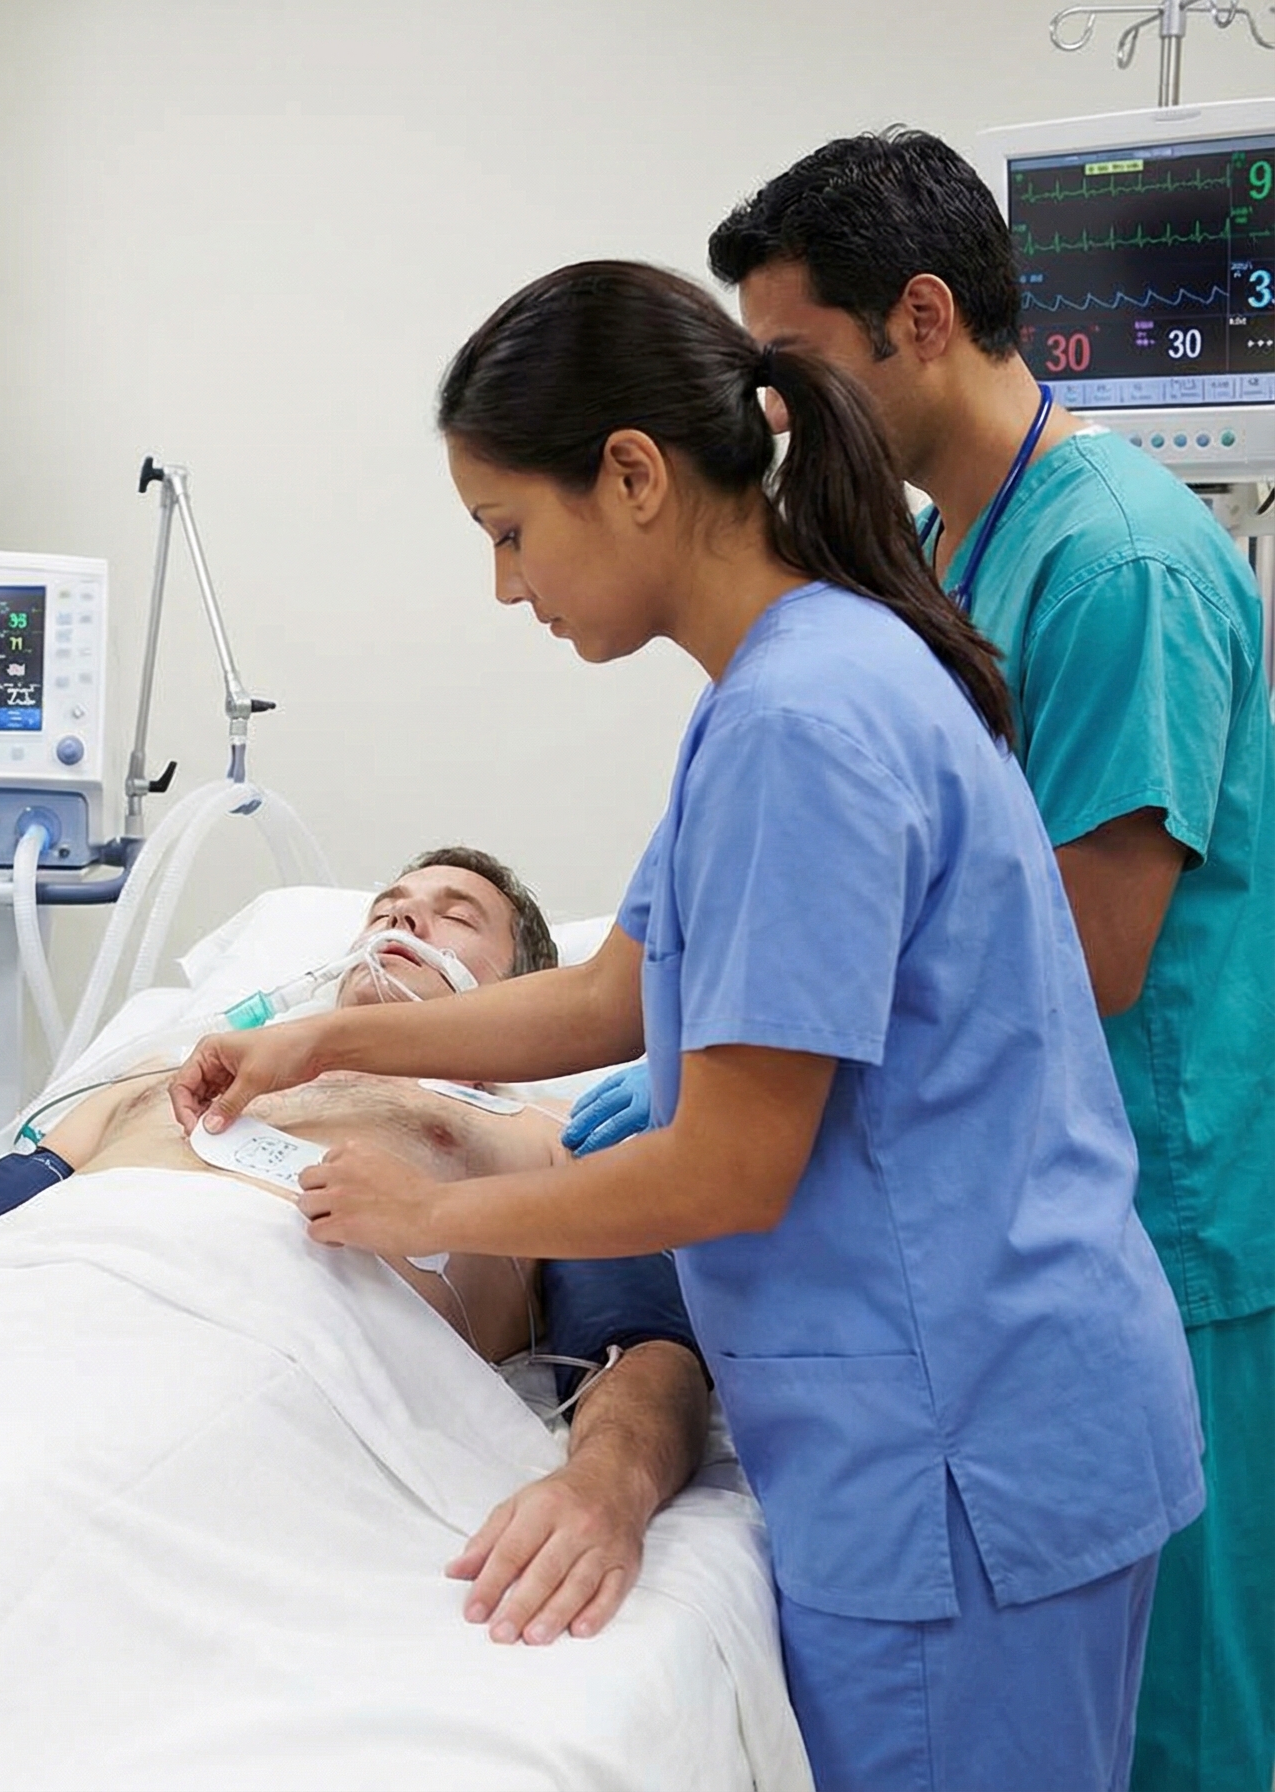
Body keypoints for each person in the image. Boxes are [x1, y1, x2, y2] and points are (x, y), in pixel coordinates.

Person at [168, 261, 1204, 1792]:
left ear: (635, 476)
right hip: (985, 1415)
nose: (508, 589)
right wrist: (324, 1043)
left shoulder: (804, 722)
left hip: (957, 1461)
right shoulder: (786, 682)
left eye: (511, 534)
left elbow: (728, 1168)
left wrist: (439, 1206)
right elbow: (614, 992)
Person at [706, 129, 1275, 1792]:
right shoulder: (954, 545)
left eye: (797, 366)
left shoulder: (1119, 559)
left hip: (1167, 1207)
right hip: (1040, 1192)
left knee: (1177, 1722)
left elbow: (1090, 950)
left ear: (925, 319)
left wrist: (771, 1058)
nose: (778, 416)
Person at [0, 847, 713, 1649]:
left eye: (452, 916)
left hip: (267, 1352)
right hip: (31, 1301)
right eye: (387, 905)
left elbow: (647, 1345)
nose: (403, 923)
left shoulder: (545, 1134)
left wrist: (606, 1486)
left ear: (525, 989)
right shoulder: (162, 1083)